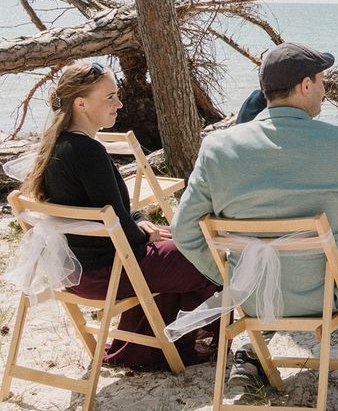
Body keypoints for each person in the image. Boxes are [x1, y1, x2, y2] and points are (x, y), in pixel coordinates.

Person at [172, 42, 338, 390]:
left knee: (270, 257)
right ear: (305, 85)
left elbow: (183, 231)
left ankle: (249, 354)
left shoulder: (217, 149)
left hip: (255, 295)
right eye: (321, 80)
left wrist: (237, 276)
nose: (323, 89)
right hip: (329, 292)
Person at [19, 62, 219, 369]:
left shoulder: (58, 147)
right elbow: (121, 228)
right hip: (108, 273)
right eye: (110, 97)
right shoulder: (87, 152)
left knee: (177, 245)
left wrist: (139, 221)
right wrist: (146, 233)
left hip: (80, 274)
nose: (120, 103)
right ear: (81, 103)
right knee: (207, 252)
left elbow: (108, 212)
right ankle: (202, 338)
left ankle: (145, 345)